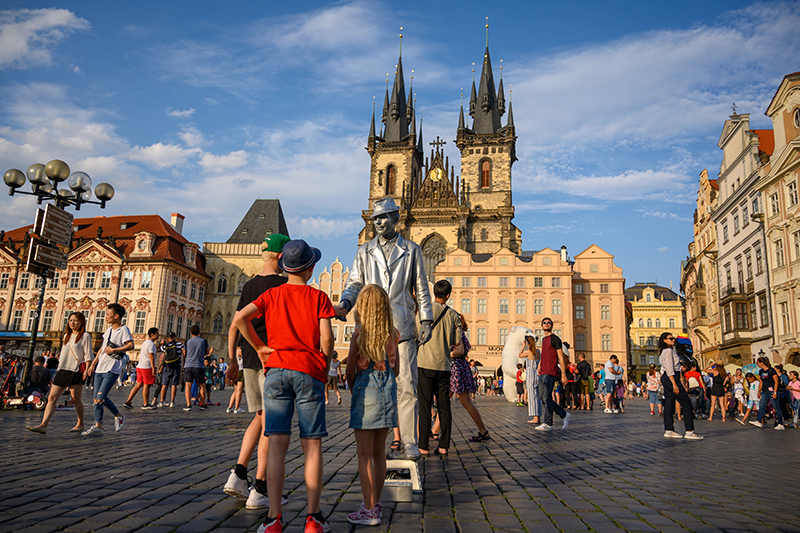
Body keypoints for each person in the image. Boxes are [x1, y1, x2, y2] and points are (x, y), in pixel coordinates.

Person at [233, 239, 335, 533]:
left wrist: (260, 347)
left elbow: (240, 318)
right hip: (308, 371)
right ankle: (313, 519)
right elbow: (326, 340)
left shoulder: (272, 293)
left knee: (277, 444)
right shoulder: (319, 297)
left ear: (285, 267)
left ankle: (274, 519)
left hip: (276, 370)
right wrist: (323, 367)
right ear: (311, 268)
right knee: (312, 445)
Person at [335, 197, 433, 460]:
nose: (378, 222)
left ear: (396, 219)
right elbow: (355, 282)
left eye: (384, 217)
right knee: (373, 384)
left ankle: (410, 441)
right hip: (371, 325)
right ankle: (381, 438)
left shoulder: (412, 250)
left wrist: (425, 319)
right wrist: (345, 302)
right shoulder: (364, 251)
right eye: (375, 218)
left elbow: (421, 288)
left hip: (401, 324)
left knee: (407, 384)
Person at [223, 233, 289, 509]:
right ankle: (260, 488)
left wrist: (231, 360)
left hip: (248, 359)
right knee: (271, 425)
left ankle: (238, 474)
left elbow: (235, 323)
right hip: (271, 358)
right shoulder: (284, 285)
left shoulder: (249, 285)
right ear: (283, 256)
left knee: (260, 418)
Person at [345, 285, 399, 525]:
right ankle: (375, 502)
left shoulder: (359, 334)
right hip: (387, 390)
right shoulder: (393, 334)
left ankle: (368, 509)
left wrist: (353, 387)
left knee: (364, 454)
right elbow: (396, 370)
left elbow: (348, 371)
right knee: (379, 453)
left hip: (365, 390)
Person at [27, 312, 93, 434]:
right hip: (62, 369)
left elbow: (88, 355)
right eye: (70, 320)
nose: (72, 323)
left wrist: (87, 370)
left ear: (82, 322)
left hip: (75, 370)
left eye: (76, 320)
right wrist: (57, 371)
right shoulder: (66, 336)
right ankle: (43, 424)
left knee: (75, 399)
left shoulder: (85, 336)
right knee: (52, 397)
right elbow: (63, 355)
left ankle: (80, 423)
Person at [417, 280, 462, 456]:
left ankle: (423, 446)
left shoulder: (425, 310)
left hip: (425, 363)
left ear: (434, 293)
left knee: (424, 405)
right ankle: (443, 446)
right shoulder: (453, 315)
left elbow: (415, 331)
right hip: (444, 365)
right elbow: (455, 342)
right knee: (444, 406)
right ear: (448, 295)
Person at [82, 304, 133, 436]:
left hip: (112, 367)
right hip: (100, 367)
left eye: (108, 314)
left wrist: (114, 350)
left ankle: (118, 415)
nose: (106, 317)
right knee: (95, 400)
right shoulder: (108, 331)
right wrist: (93, 364)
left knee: (100, 397)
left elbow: (130, 345)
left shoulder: (123, 330)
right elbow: (102, 349)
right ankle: (98, 425)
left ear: (116, 316)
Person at [447, 313, 489, 441]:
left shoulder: (457, 333)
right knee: (446, 401)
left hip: (456, 369)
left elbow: (459, 351)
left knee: (465, 402)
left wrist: (445, 354)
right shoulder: (459, 333)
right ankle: (435, 430)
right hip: (458, 368)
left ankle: (483, 430)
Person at [658, 332, 702, 440]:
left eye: (673, 339)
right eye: (670, 339)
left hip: (668, 377)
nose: (673, 340)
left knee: (669, 403)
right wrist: (674, 384)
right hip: (671, 377)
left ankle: (669, 430)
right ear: (664, 340)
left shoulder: (664, 351)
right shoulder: (668, 351)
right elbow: (669, 368)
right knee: (686, 404)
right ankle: (689, 431)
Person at [535, 317, 570, 431]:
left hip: (551, 371)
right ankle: (563, 414)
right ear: (542, 326)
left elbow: (561, 357)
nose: (546, 324)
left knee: (546, 396)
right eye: (544, 323)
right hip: (543, 371)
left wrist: (563, 374)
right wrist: (540, 364)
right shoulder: (544, 340)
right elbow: (545, 354)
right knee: (543, 397)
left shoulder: (555, 339)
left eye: (548, 323)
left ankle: (548, 423)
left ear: (551, 325)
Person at [123, 328, 159, 410]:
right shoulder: (151, 344)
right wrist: (153, 368)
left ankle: (128, 401)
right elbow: (151, 356)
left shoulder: (145, 343)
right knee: (147, 385)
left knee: (138, 384)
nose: (158, 335)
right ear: (152, 334)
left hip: (140, 366)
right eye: (157, 334)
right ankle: (145, 404)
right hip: (147, 367)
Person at [750, 357, 785, 430]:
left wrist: (775, 392)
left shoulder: (771, 370)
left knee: (776, 407)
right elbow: (761, 382)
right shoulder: (761, 371)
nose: (757, 364)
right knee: (762, 406)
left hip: (772, 391)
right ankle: (759, 421)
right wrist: (759, 391)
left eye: (758, 362)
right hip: (764, 391)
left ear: (761, 363)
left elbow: (776, 381)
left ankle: (781, 424)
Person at [183, 325, 212, 411]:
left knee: (188, 385)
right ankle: (203, 405)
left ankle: (188, 405)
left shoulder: (187, 342)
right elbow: (206, 352)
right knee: (202, 386)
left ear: (190, 332)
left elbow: (185, 353)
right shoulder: (203, 341)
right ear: (199, 332)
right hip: (198, 365)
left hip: (188, 365)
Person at [158, 333, 185, 407]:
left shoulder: (165, 346)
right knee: (174, 385)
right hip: (176, 366)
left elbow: (157, 349)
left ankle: (161, 401)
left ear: (167, 338)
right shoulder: (179, 344)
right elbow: (184, 352)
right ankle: (172, 401)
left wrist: (160, 343)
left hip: (167, 366)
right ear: (174, 337)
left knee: (164, 384)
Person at [523, 335, 541, 425]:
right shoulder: (538, 351)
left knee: (532, 396)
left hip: (530, 375)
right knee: (537, 395)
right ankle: (538, 415)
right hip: (538, 375)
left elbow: (519, 355)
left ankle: (535, 417)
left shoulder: (528, 352)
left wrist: (523, 346)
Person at [227, 347, 245, 414]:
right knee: (239, 390)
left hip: (235, 371)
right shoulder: (240, 351)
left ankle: (230, 407)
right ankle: (237, 408)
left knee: (236, 390)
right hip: (241, 370)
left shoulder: (233, 351)